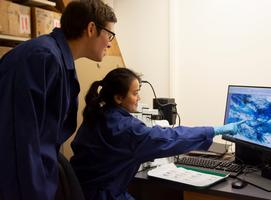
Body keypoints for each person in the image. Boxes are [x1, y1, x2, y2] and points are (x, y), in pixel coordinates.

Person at [0, 0, 117, 199]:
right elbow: (21, 142)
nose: (110, 42)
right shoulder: (43, 57)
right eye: (110, 34)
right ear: (91, 28)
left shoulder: (58, 60)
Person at [70, 68, 244, 200]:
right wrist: (214, 130)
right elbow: (170, 137)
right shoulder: (125, 128)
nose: (139, 98)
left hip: (84, 191)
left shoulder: (97, 116)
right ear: (118, 98)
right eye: (135, 93)